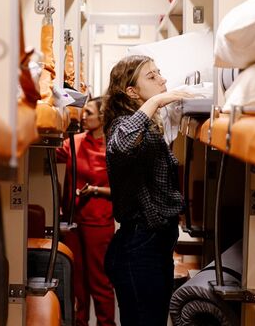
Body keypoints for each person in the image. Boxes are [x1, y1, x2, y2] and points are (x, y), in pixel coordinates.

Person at [102, 55, 192, 326]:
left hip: (154, 244)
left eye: (159, 72)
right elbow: (121, 145)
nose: (162, 80)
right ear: (131, 92)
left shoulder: (150, 126)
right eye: (151, 77)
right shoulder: (122, 124)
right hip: (139, 246)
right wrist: (156, 101)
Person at [56, 97, 116, 326]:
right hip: (72, 222)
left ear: (103, 116)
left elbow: (122, 190)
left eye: (88, 112)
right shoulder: (75, 142)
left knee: (100, 282)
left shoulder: (113, 148)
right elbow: (50, 153)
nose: (83, 116)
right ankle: (79, 323)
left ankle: (106, 323)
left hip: (99, 223)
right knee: (77, 282)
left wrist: (95, 190)